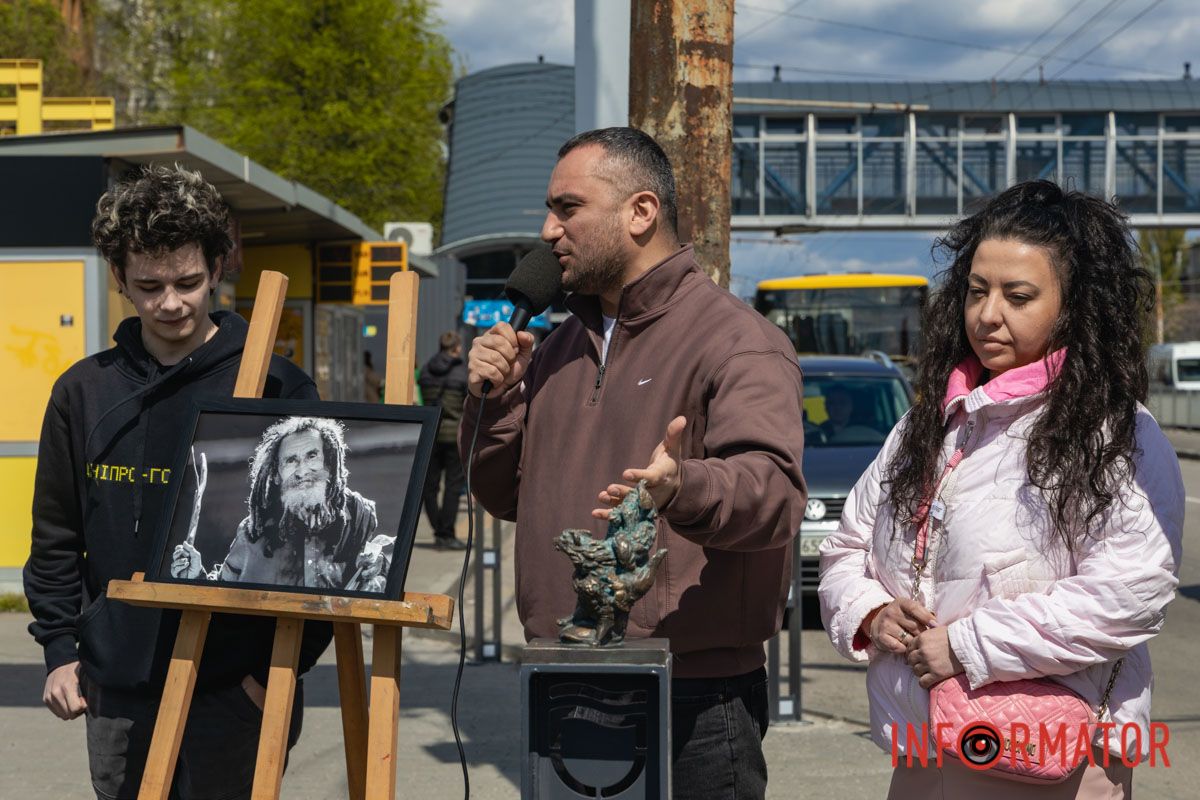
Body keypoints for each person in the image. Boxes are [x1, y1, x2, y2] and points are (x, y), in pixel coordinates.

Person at [462, 127, 807, 800]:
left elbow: (774, 495)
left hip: (695, 693)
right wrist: (497, 403)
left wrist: (683, 486)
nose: (548, 230)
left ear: (641, 212)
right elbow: (505, 498)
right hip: (562, 672)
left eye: (567, 208)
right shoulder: (555, 346)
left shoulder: (740, 342)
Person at [818, 180, 1185, 799]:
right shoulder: (928, 424)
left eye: (1018, 297)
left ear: (1077, 307)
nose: (988, 315)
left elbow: (1130, 591)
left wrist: (965, 646)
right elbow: (846, 549)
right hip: (923, 745)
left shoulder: (1119, 434)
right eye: (977, 291)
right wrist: (873, 614)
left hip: (1045, 757)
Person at [23, 165, 332, 800]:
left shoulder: (277, 386)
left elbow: (321, 547)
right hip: (119, 690)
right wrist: (60, 648)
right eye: (150, 285)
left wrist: (273, 673)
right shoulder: (84, 392)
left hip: (235, 688)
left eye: (188, 282)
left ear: (217, 268)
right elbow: (57, 534)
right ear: (119, 280)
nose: (170, 303)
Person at [171, 416, 388, 592]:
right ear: (276, 474)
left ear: (329, 463)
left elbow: (375, 572)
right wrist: (196, 577)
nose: (302, 471)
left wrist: (380, 567)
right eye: (291, 460)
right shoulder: (253, 532)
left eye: (312, 456)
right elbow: (222, 590)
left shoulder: (359, 515)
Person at [418, 331, 469, 550]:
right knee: (453, 485)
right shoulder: (462, 371)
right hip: (454, 434)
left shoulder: (427, 369)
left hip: (431, 433)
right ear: (456, 347)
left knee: (429, 486)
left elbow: (422, 389)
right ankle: (446, 533)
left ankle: (437, 528)